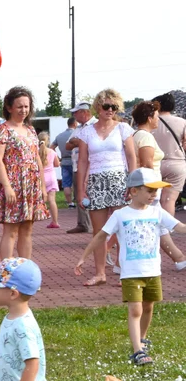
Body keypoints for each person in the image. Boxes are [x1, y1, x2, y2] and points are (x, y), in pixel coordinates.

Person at [76, 168, 186, 365]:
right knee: (135, 310)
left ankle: (141, 340)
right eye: (150, 190)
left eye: (156, 191)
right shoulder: (121, 215)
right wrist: (84, 256)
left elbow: (179, 227)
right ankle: (137, 351)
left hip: (153, 270)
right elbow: (101, 236)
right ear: (134, 191)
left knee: (148, 307)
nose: (154, 195)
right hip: (131, 273)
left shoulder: (157, 212)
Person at [74, 89, 137, 286]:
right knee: (99, 231)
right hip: (96, 181)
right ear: (98, 107)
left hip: (119, 180)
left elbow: (131, 157)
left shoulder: (123, 129)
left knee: (123, 229)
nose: (110, 110)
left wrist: (132, 183)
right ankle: (100, 273)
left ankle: (125, 271)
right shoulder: (86, 132)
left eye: (114, 107)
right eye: (107, 106)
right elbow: (83, 161)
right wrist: (80, 190)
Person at [0, 87, 48, 260]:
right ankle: (6, 273)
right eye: (19, 106)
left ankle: (25, 272)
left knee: (27, 230)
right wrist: (7, 187)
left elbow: (37, 158)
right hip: (13, 183)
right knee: (11, 230)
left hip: (31, 183)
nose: (23, 110)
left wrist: (43, 186)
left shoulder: (30, 130)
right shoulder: (2, 130)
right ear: (9, 108)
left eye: (26, 106)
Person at [131, 101, 186, 269]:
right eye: (156, 116)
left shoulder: (137, 135)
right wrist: (152, 189)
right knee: (159, 221)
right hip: (149, 184)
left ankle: (179, 258)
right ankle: (179, 256)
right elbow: (147, 164)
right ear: (149, 118)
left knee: (159, 223)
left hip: (148, 185)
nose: (158, 120)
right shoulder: (145, 136)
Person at [152, 93, 186, 215]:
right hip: (176, 164)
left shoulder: (150, 122)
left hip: (154, 164)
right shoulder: (182, 122)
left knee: (152, 202)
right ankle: (167, 231)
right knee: (168, 201)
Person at [65, 102, 95, 233]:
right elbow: (67, 145)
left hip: (92, 167)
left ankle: (95, 225)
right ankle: (83, 223)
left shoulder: (95, 125)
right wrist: (78, 142)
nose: (74, 115)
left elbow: (91, 143)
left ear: (84, 112)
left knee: (92, 195)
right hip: (77, 166)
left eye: (76, 112)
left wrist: (78, 142)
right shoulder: (78, 128)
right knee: (79, 195)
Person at [51, 117, 77, 210]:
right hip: (75, 161)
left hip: (64, 161)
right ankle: (77, 200)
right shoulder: (76, 134)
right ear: (75, 124)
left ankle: (70, 203)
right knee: (77, 182)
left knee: (66, 183)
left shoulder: (59, 136)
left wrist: (58, 158)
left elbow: (51, 147)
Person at [38, 132, 60, 228]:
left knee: (38, 200)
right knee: (52, 200)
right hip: (51, 177)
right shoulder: (52, 152)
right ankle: (55, 221)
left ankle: (37, 217)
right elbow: (57, 164)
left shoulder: (36, 152)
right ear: (48, 141)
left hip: (40, 178)